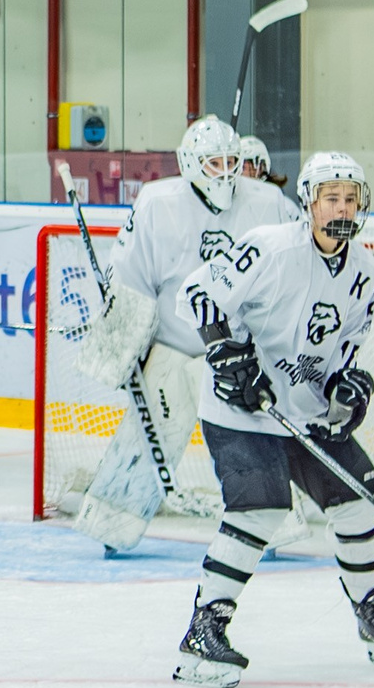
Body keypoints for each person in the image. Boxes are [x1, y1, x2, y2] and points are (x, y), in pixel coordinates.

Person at [169, 150, 374, 688]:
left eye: (351, 198)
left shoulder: (366, 275)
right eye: (332, 197)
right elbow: (196, 294)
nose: (342, 207)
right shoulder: (270, 247)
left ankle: (371, 612)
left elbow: (341, 358)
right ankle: (205, 627)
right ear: (308, 202)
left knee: (359, 504)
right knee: (260, 510)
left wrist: (346, 390)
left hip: (304, 415)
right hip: (242, 410)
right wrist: (225, 352)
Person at [74, 115, 302, 550]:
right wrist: (122, 350)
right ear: (190, 163)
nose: (226, 171)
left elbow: (295, 259)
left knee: (253, 436)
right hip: (174, 344)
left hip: (238, 350)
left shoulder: (268, 202)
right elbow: (129, 277)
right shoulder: (158, 203)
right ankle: (113, 523)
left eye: (231, 160)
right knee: (152, 431)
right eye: (213, 162)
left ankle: (272, 528)